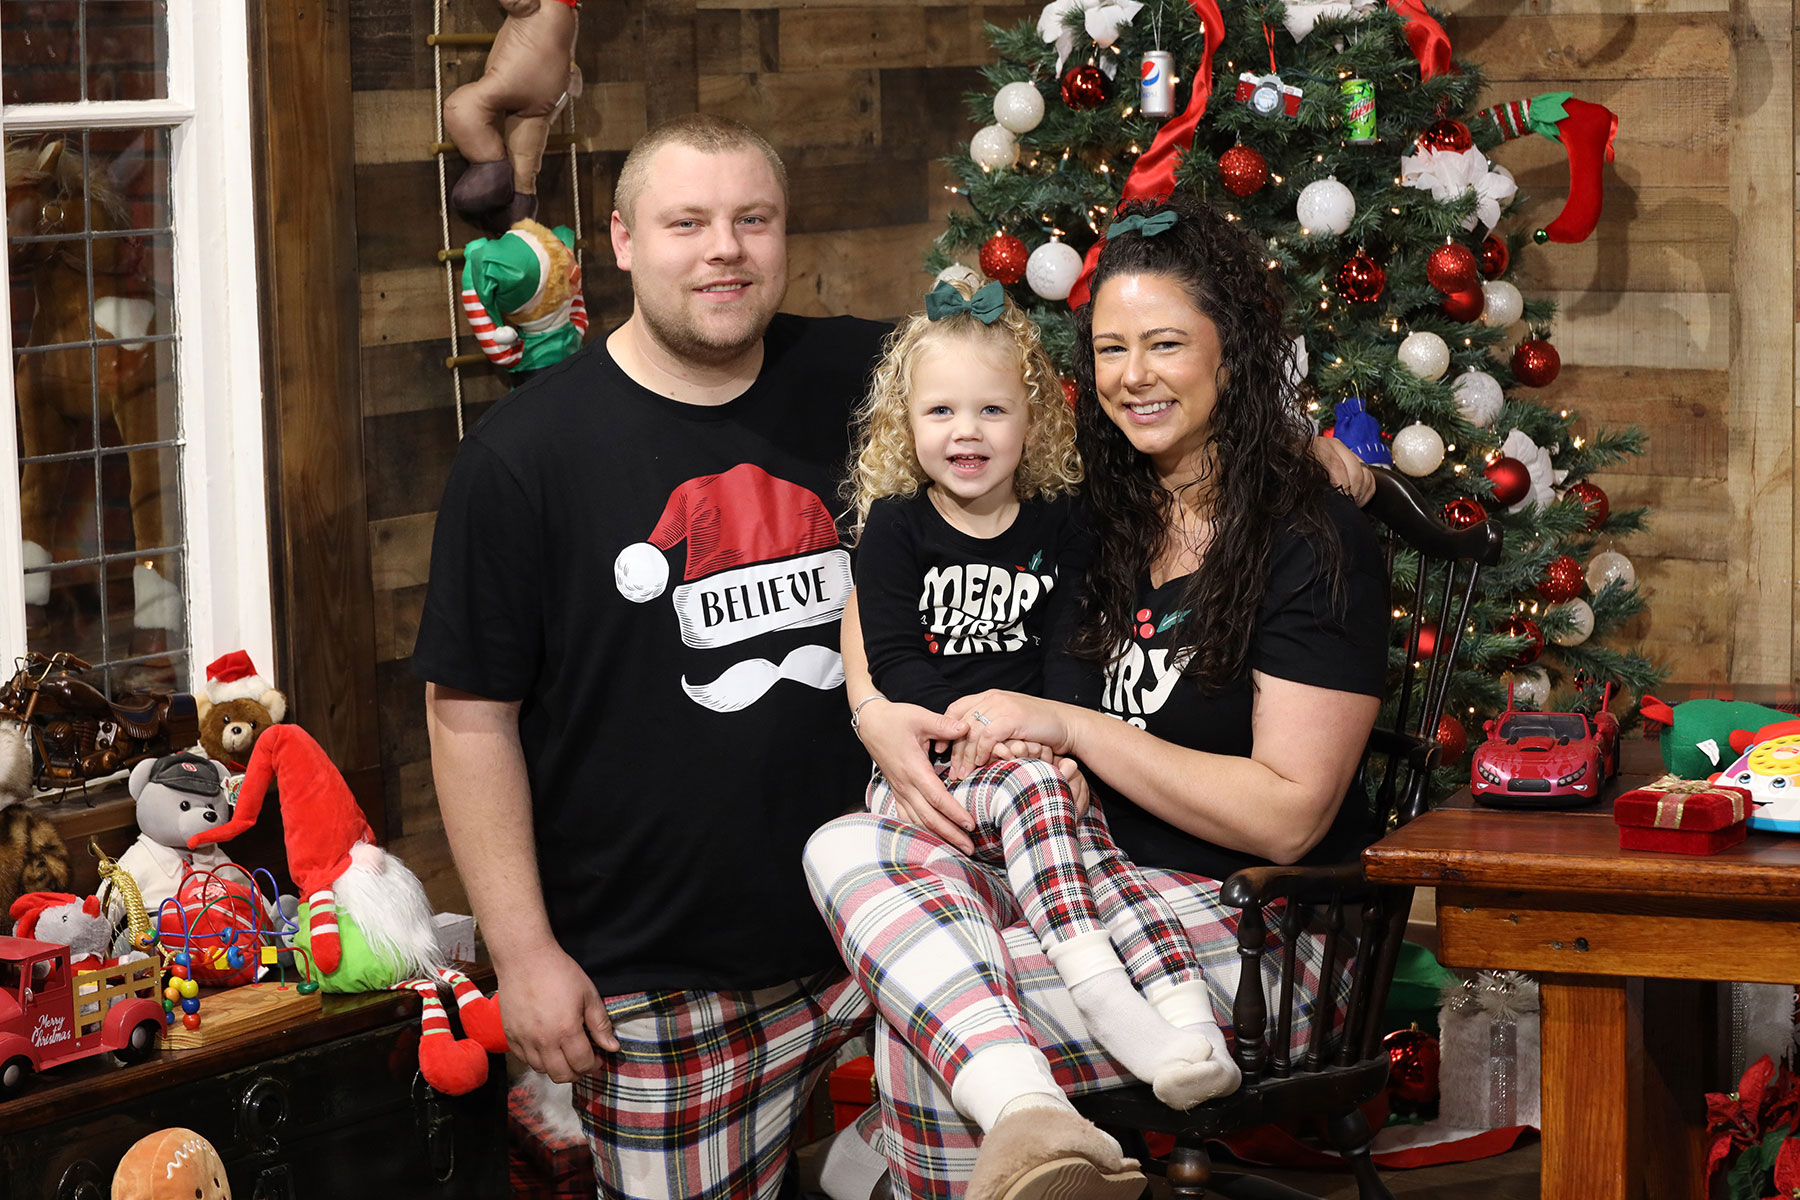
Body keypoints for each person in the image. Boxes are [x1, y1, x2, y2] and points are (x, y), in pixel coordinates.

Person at [803, 194, 1390, 1200]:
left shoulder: (1310, 540)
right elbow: (898, 567)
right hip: (1088, 888)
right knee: (847, 844)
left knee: (931, 1024)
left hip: (1257, 931)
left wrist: (1075, 727)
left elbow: (1289, 819)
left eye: (1165, 343)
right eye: (1112, 349)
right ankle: (1026, 1126)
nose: (1133, 376)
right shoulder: (1105, 514)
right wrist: (871, 709)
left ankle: (1004, 1131)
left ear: (1232, 352)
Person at [413, 114, 904, 1200]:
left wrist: (1307, 451)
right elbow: (468, 718)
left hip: (887, 932)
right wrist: (524, 954)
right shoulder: (522, 460)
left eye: (752, 220)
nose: (724, 248)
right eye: (689, 222)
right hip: (660, 984)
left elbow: (1068, 399)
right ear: (624, 243)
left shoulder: (874, 379)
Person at [843, 277, 1235, 1117]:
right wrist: (974, 732)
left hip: (1033, 758)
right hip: (934, 764)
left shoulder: (1059, 525)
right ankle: (1100, 993)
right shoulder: (896, 528)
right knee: (1040, 793)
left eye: (992, 411)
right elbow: (894, 655)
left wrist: (1056, 740)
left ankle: (1186, 1028)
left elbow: (1067, 652)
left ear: (1033, 422)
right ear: (904, 426)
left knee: (1111, 865)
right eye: (941, 412)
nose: (966, 434)